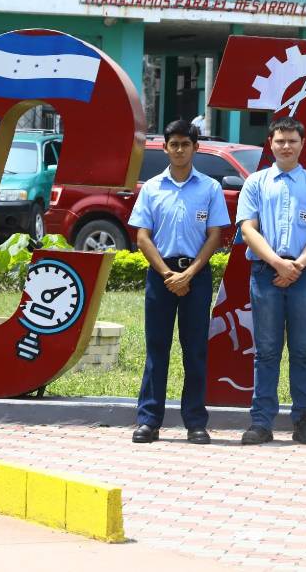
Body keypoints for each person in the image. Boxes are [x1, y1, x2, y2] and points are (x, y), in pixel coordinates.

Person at [129, 119, 231, 444]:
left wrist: (189, 273)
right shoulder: (152, 188)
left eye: (185, 144)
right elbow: (142, 237)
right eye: (174, 144)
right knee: (157, 349)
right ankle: (149, 421)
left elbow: (215, 236)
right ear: (165, 148)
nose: (179, 150)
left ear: (195, 148)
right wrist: (167, 274)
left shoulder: (210, 188)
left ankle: (196, 422)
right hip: (161, 276)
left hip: (196, 277)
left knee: (195, 350)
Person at [237, 116, 306, 446]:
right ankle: (261, 422)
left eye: (292, 141)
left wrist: (297, 265)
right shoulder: (256, 183)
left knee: (303, 350)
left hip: (304, 275)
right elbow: (248, 229)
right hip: (266, 274)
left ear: (302, 144)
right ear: (270, 143)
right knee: (266, 351)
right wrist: (278, 263)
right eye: (280, 140)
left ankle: (304, 422)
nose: (286, 146)